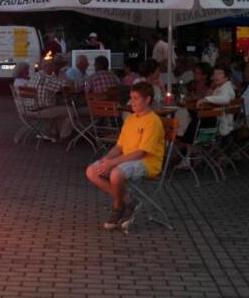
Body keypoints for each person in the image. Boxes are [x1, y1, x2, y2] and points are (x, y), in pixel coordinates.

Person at [85, 82, 165, 230]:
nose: (131, 102)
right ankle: (128, 201)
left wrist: (112, 163)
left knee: (116, 173)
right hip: (127, 159)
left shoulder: (153, 121)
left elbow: (141, 152)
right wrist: (107, 159)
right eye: (131, 98)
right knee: (91, 171)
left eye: (136, 98)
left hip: (147, 162)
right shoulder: (130, 119)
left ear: (147, 100)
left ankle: (117, 206)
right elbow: (119, 146)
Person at [26, 57, 73, 143]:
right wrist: (69, 81)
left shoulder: (35, 75)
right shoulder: (46, 78)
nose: (54, 68)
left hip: (29, 109)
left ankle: (54, 132)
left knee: (61, 110)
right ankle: (64, 137)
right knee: (69, 110)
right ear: (48, 67)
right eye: (53, 65)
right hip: (40, 110)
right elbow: (64, 86)